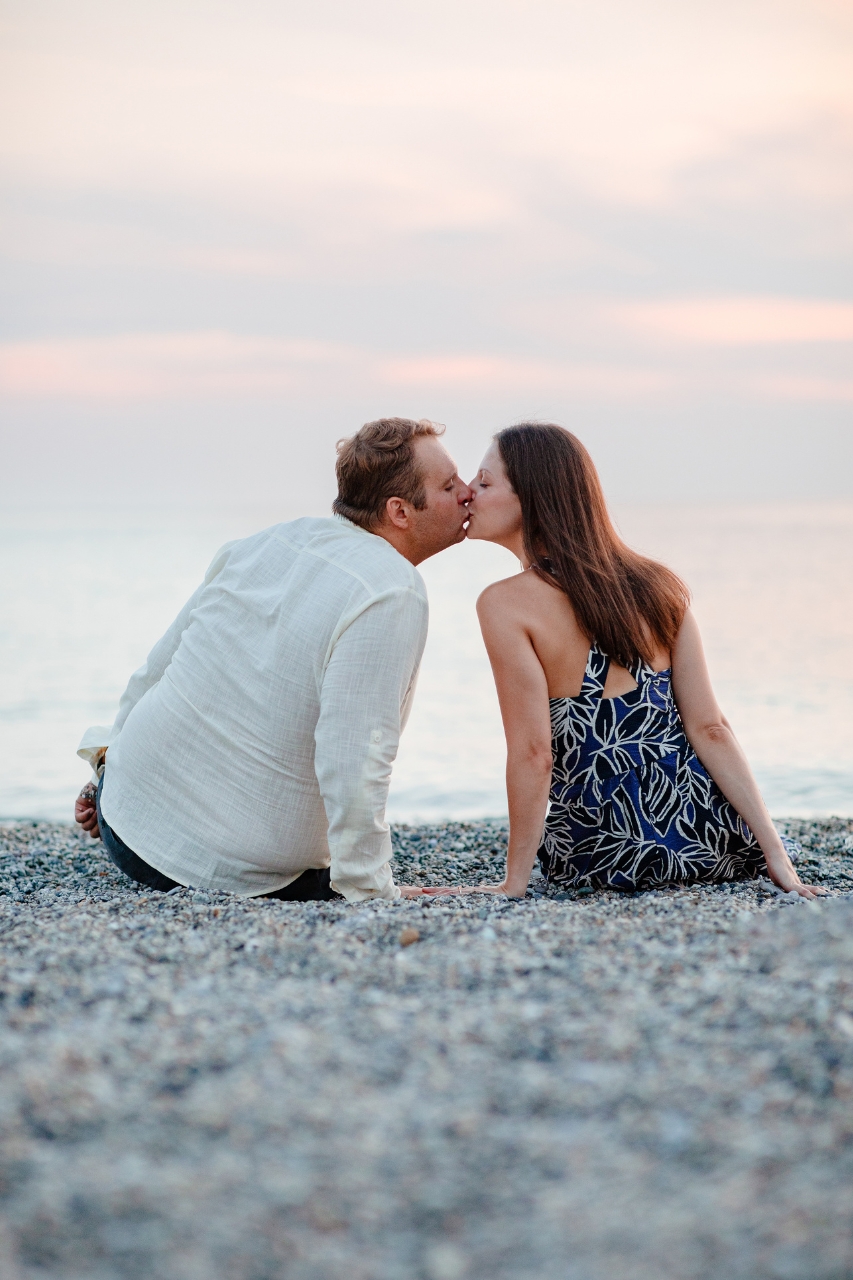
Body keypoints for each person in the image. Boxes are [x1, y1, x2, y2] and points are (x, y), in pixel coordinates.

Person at [75, 417, 471, 903]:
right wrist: (368, 888)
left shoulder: (265, 542)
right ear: (400, 511)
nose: (468, 492)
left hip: (125, 817)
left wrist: (113, 759)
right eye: (450, 485)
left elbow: (154, 671)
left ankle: (110, 777)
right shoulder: (391, 588)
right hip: (221, 870)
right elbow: (353, 752)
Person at [446, 422, 822, 900]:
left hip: (601, 851)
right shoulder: (659, 585)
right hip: (708, 839)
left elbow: (535, 755)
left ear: (533, 499)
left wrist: (513, 883)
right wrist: (774, 854)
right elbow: (711, 729)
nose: (469, 494)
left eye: (484, 481)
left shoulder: (504, 604)